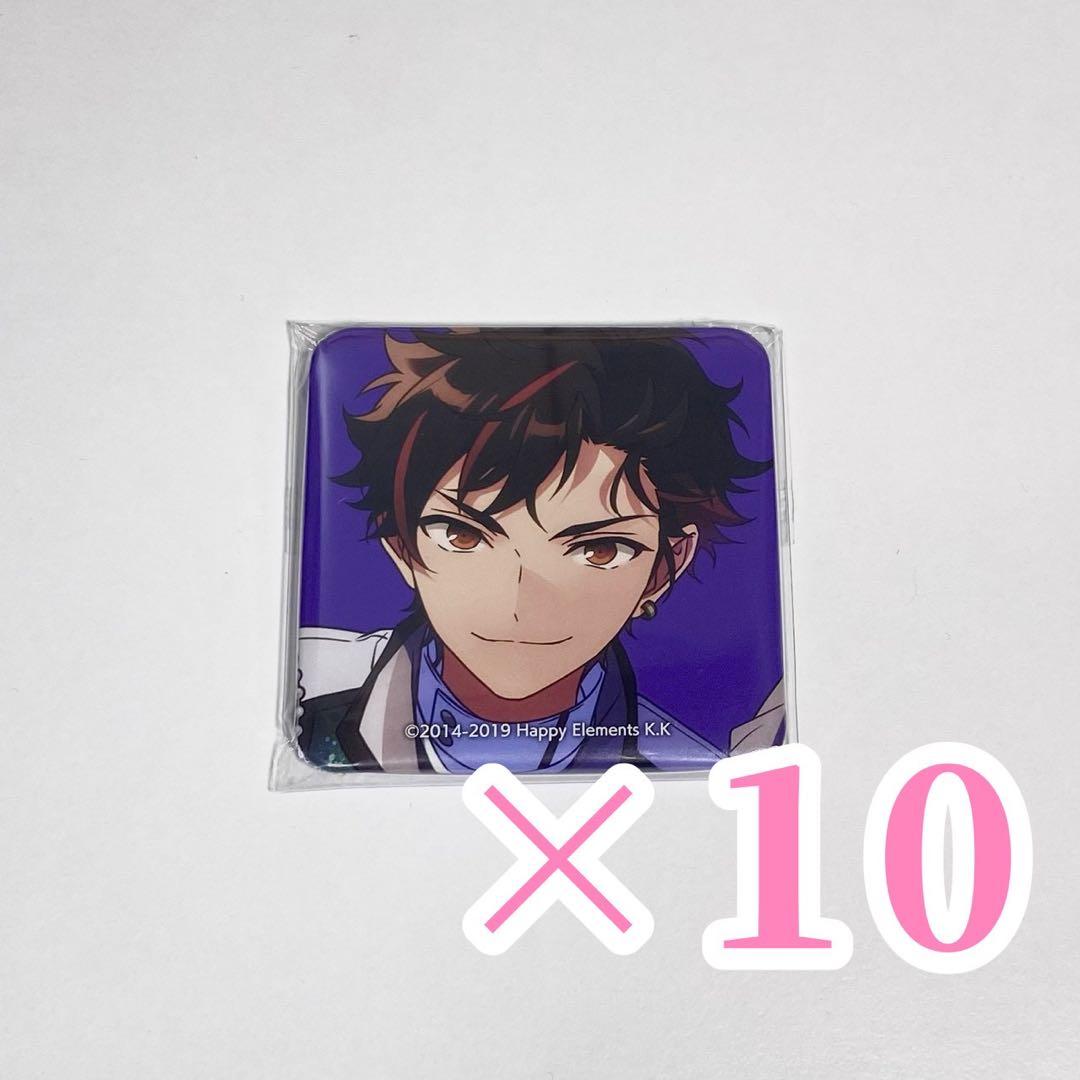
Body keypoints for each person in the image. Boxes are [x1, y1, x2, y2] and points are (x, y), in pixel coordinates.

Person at [297, 327, 784, 774]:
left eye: (599, 550)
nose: (520, 604)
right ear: (401, 545)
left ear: (663, 569)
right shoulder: (312, 710)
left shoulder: (683, 763)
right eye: (464, 537)